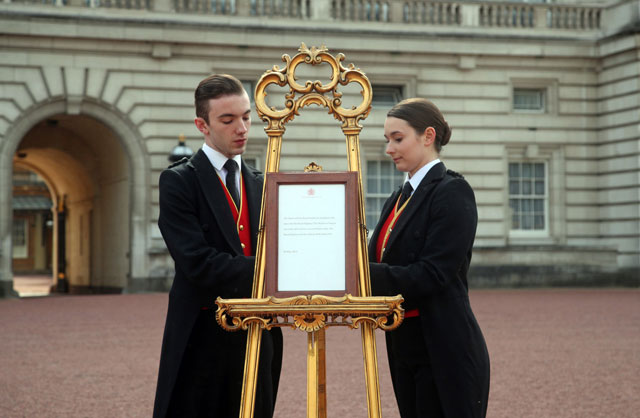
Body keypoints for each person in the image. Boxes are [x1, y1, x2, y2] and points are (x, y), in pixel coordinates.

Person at [153, 74, 282, 418]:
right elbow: (197, 262)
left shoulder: (263, 182)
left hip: (259, 329)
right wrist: (275, 268)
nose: (241, 127)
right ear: (202, 124)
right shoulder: (178, 181)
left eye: (245, 117)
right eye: (227, 120)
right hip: (204, 334)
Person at [368, 98, 490, 418]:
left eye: (398, 139)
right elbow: (373, 258)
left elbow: (433, 273)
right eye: (387, 141)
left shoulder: (452, 191)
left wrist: (359, 274)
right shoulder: (397, 198)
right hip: (402, 344)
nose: (389, 149)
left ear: (428, 136)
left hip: (445, 346)